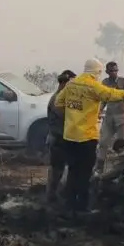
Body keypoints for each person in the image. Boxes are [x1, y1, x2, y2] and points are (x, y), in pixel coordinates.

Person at [54, 58, 124, 213]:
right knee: (85, 173)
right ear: (98, 71)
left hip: (69, 136)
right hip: (86, 138)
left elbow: (58, 103)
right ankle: (81, 207)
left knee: (73, 171)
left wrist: (73, 115)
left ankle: (69, 206)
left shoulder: (71, 84)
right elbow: (115, 94)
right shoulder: (94, 86)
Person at [95, 61, 124, 174]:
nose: (114, 73)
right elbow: (103, 98)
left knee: (122, 145)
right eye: (111, 71)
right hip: (110, 115)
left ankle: (123, 169)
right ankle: (99, 168)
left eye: (115, 70)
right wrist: (100, 109)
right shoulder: (105, 83)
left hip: (123, 117)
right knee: (103, 142)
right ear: (107, 72)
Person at [46, 69, 76, 203]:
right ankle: (52, 196)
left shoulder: (59, 96)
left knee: (59, 168)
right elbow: (66, 118)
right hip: (58, 138)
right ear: (65, 82)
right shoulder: (58, 99)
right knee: (57, 169)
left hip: (60, 137)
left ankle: (54, 195)